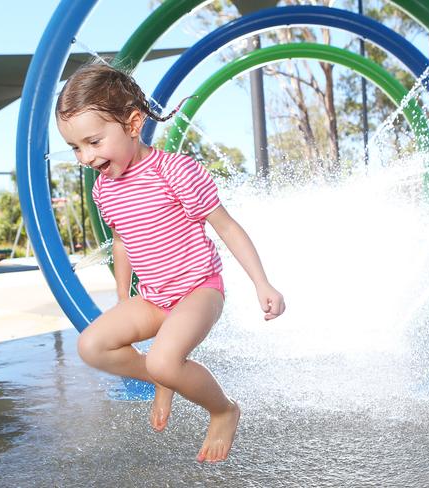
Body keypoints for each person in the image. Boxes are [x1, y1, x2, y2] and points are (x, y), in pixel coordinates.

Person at [55, 62, 285, 463]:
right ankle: (167, 376)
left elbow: (228, 229)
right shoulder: (104, 190)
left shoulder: (175, 172)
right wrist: (123, 296)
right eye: (76, 148)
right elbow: (123, 243)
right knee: (91, 345)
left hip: (199, 289)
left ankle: (223, 409)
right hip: (154, 297)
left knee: (164, 359)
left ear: (133, 123)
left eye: (93, 142)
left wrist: (262, 283)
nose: (85, 158)